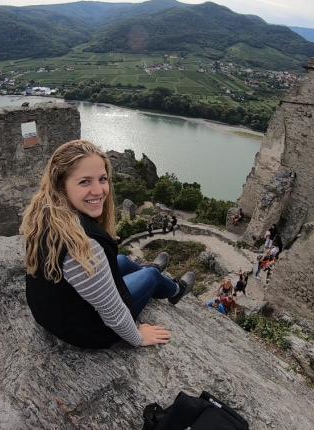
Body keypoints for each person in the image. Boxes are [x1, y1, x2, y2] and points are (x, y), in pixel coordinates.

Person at [22, 140, 194, 349]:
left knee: (120, 260)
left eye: (102, 179)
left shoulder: (45, 215)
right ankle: (175, 289)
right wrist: (138, 337)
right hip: (88, 328)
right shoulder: (83, 245)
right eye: (85, 182)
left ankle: (152, 274)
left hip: (53, 313)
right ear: (61, 185)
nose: (98, 190)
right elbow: (113, 312)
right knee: (151, 276)